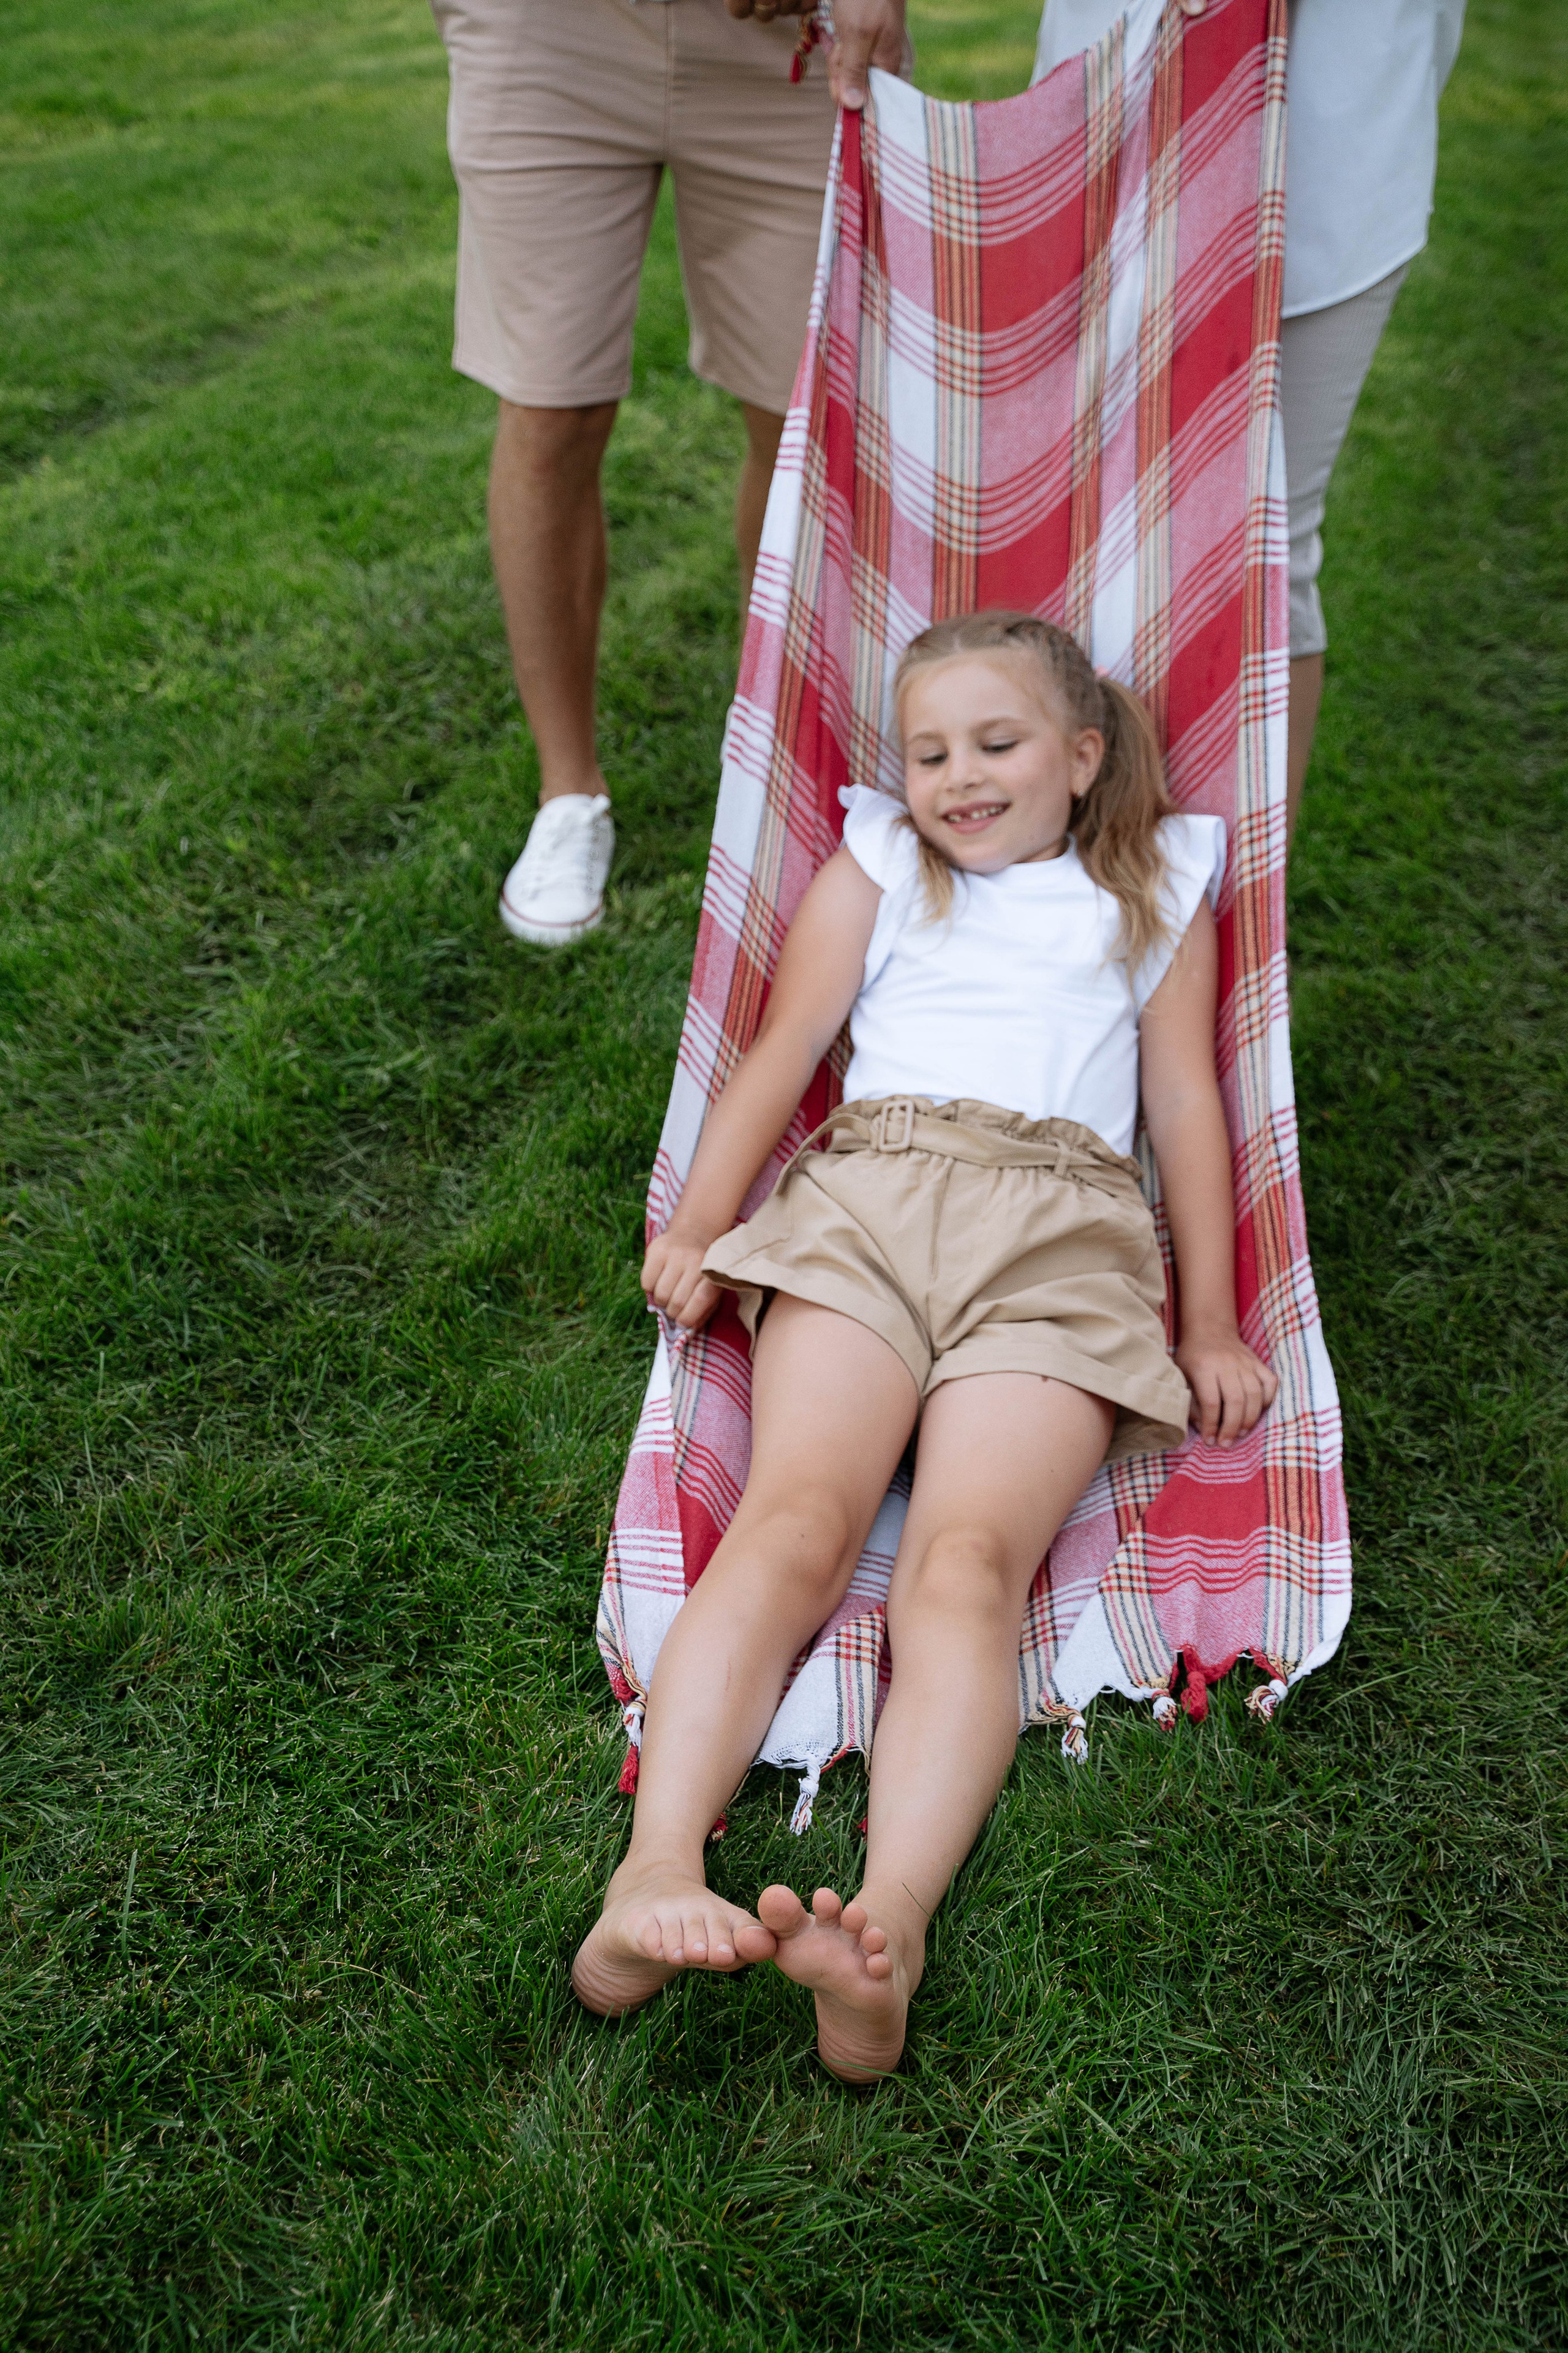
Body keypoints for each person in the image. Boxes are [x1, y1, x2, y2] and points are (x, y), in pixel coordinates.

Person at [571, 611, 1277, 2080]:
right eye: (930, 750)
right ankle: (648, 1875)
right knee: (796, 1521)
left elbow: (1189, 1108)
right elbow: (781, 1046)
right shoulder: (886, 863)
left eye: (997, 743)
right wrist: (702, 1221)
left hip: (1064, 1239)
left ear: (1083, 758)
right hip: (870, 1199)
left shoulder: (1153, 884)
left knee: (964, 1569)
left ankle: (881, 1928)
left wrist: (1204, 1316)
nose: (957, 777)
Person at [428, 0, 909, 946]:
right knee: (552, 405)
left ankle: (792, 770)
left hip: (790, 37)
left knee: (807, 413)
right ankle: (569, 794)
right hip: (548, 35)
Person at [1036, 0, 1466, 837]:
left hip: (1332, 139)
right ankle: (1076, 885)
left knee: (1265, 546)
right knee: (1087, 528)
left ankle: (1243, 917)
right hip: (1113, 99)